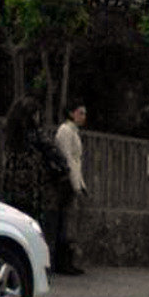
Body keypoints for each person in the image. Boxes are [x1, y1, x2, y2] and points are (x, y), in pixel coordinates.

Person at [2, 96, 70, 256]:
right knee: (33, 226)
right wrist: (61, 172)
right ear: (33, 115)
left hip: (11, 189)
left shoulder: (10, 135)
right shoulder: (36, 135)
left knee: (14, 225)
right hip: (33, 190)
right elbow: (56, 155)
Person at [55, 101, 88, 275]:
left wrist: (81, 184)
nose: (83, 116)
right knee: (65, 222)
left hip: (72, 179)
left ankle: (68, 260)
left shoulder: (73, 132)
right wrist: (76, 184)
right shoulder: (65, 131)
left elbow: (77, 161)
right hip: (66, 180)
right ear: (71, 113)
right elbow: (68, 159)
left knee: (70, 222)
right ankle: (62, 262)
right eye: (80, 112)